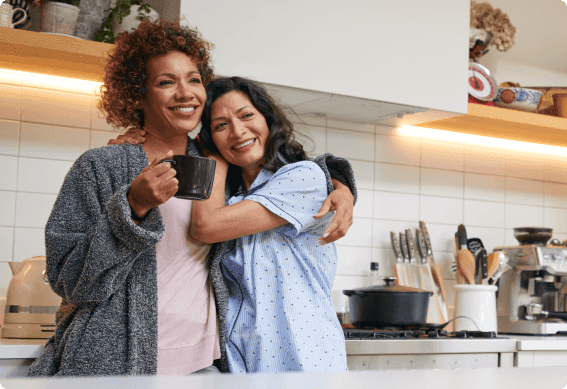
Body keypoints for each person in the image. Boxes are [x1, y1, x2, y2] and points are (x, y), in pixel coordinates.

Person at [27, 19, 356, 377]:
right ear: (138, 94)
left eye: (194, 79)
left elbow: (290, 171)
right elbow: (69, 281)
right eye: (166, 82)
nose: (185, 93)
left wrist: (341, 185)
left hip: (206, 368)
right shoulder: (102, 166)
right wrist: (132, 206)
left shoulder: (225, 171)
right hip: (117, 367)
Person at [192, 76, 351, 373]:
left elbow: (207, 226)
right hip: (244, 365)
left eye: (246, 115)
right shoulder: (230, 198)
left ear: (268, 118)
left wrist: (213, 159)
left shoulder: (304, 177)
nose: (238, 131)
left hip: (305, 362)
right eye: (220, 125)